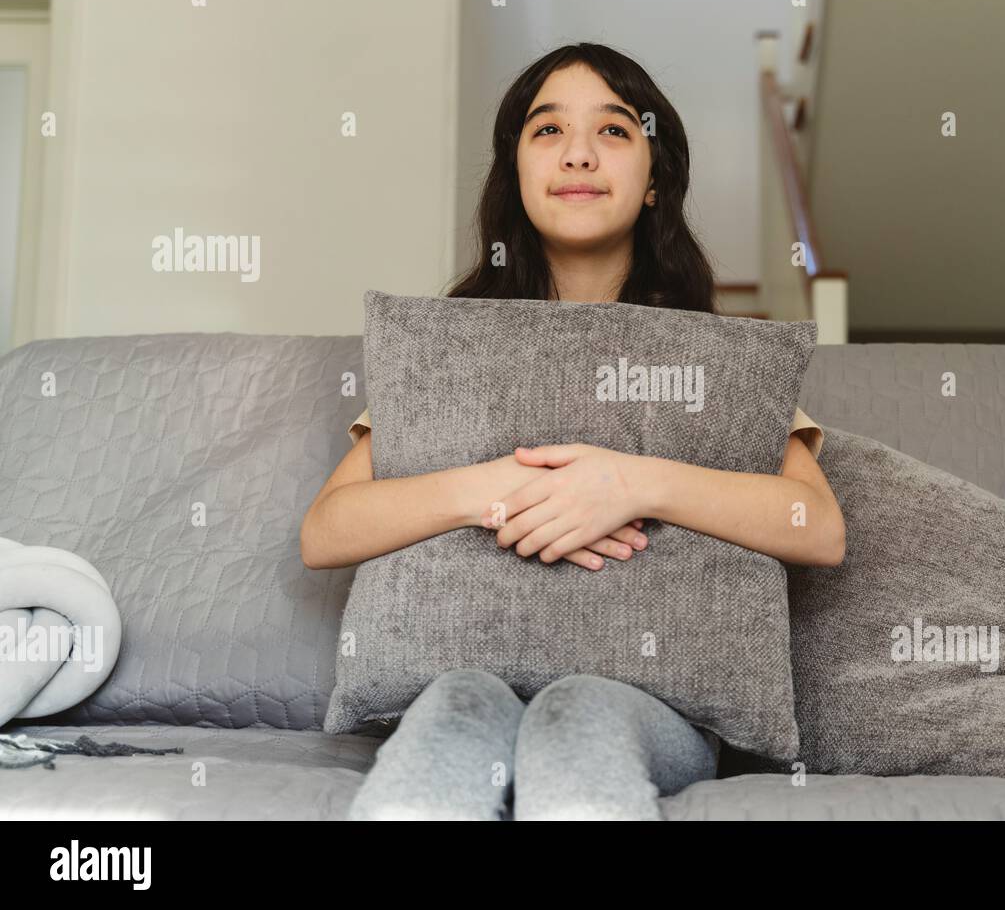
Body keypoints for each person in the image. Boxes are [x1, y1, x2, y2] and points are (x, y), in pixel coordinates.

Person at [300, 43, 845, 820]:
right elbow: (325, 532)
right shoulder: (442, 348)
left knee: (577, 715)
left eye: (616, 131)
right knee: (456, 710)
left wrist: (631, 483)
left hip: (647, 701)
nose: (580, 153)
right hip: (463, 673)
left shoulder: (719, 356)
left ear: (656, 180)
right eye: (547, 130)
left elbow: (818, 527)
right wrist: (489, 491)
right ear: (515, 172)